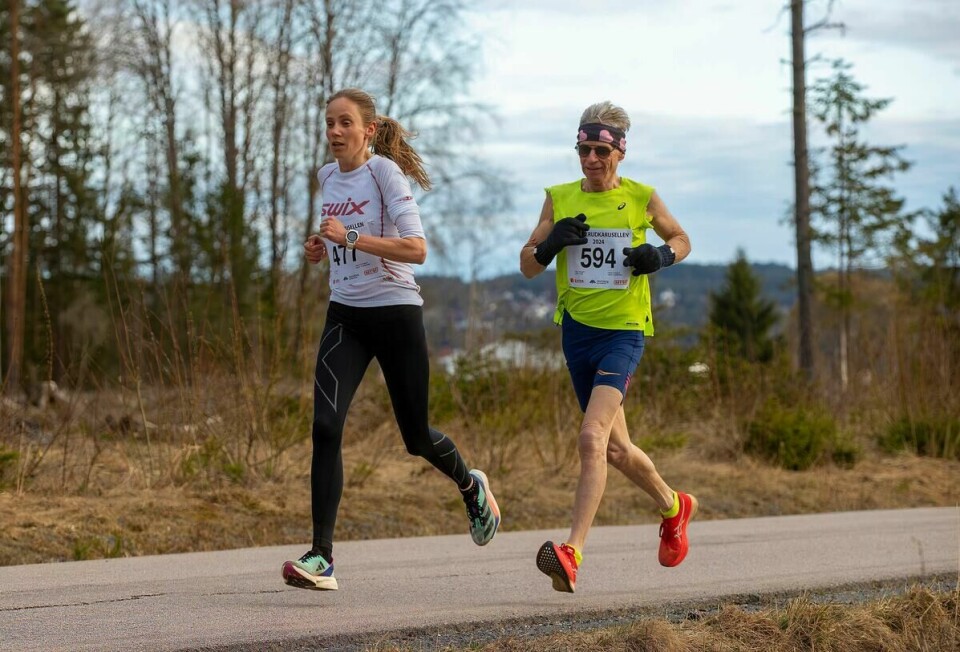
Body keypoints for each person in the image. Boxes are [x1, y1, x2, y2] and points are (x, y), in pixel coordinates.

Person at [282, 88, 500, 591]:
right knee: (325, 426)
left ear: (369, 130)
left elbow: (416, 249)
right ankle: (322, 558)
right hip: (346, 316)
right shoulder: (326, 177)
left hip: (396, 312)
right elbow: (337, 239)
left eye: (344, 123)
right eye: (329, 124)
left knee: (416, 437)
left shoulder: (385, 173)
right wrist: (321, 247)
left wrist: (349, 238)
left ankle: (471, 486)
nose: (334, 132)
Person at [519, 101, 696, 593]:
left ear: (619, 151)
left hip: (623, 334)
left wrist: (658, 255)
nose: (590, 160)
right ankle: (673, 505)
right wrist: (551, 244)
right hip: (576, 333)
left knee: (591, 439)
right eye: (583, 149)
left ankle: (571, 552)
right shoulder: (558, 197)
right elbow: (527, 264)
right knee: (617, 450)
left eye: (599, 150)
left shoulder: (641, 197)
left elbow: (682, 238)